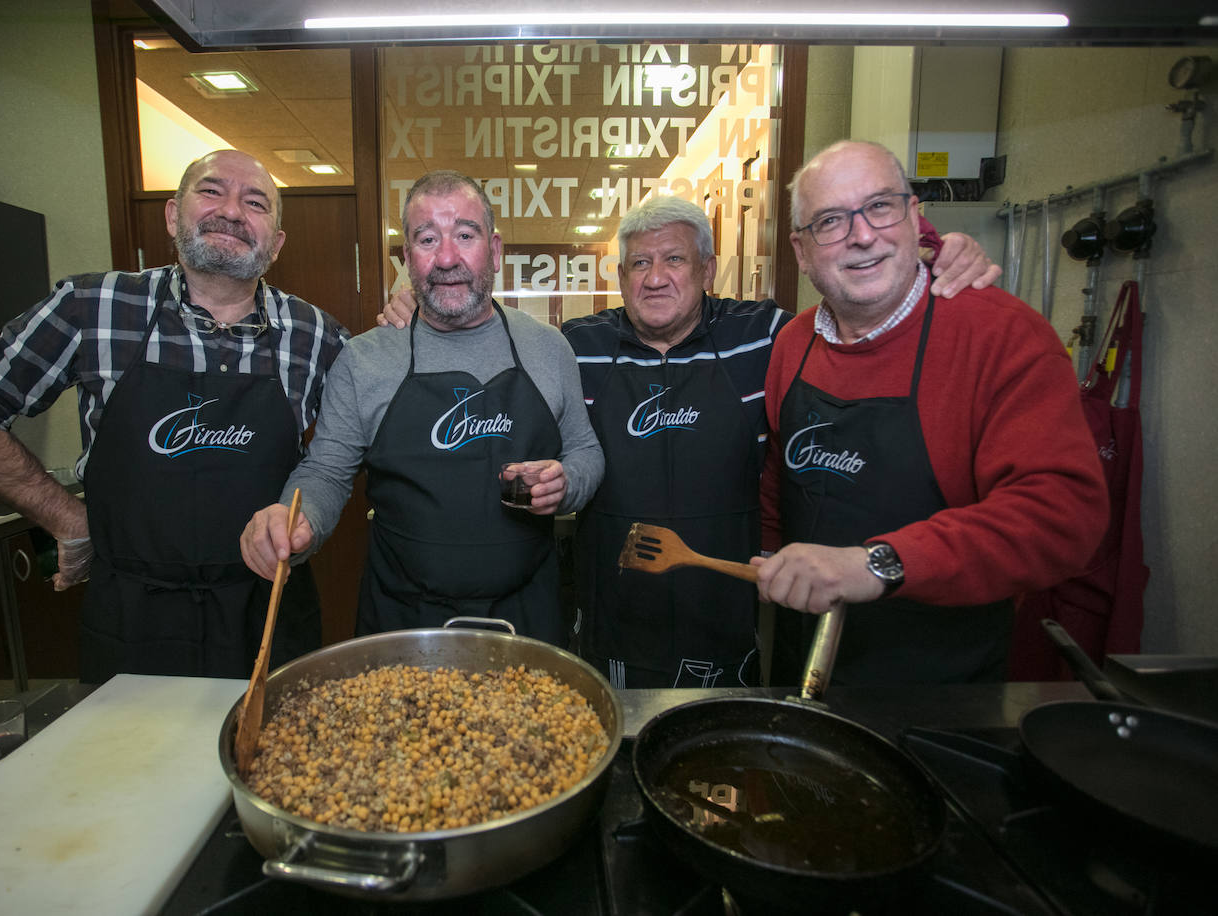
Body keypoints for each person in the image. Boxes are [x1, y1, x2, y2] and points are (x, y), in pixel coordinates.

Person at [379, 191, 999, 688]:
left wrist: (935, 254)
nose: (655, 278)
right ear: (619, 276)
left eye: (674, 259)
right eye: (639, 264)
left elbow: (859, 304)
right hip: (610, 620)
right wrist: (419, 308)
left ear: (707, 268)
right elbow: (481, 329)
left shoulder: (768, 336)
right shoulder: (576, 347)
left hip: (728, 616)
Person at [0, 149, 350, 683]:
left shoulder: (318, 335)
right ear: (172, 215)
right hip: (134, 619)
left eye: (255, 202)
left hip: (269, 611)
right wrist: (67, 520)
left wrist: (406, 322)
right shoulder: (91, 307)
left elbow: (348, 453)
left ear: (276, 243)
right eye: (211, 191)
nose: (232, 211)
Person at [755, 139, 1108, 685]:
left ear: (915, 216)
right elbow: (783, 477)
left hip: (943, 685)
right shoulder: (794, 343)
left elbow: (1063, 517)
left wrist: (877, 563)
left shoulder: (1001, 334)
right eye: (830, 221)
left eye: (880, 206)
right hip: (804, 664)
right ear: (802, 252)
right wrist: (769, 558)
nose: (862, 235)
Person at [240, 170, 603, 646]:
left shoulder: (547, 348)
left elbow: (586, 450)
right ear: (408, 258)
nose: (447, 258)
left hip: (527, 616)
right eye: (427, 239)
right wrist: (292, 519)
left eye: (465, 235)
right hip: (402, 620)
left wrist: (568, 482)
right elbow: (327, 471)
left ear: (493, 251)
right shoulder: (366, 358)